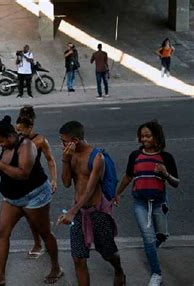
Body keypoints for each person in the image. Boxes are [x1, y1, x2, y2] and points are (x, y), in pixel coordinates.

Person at [0, 116, 62, 286]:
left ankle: (56, 268)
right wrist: (0, 163)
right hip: (12, 198)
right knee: (3, 233)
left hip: (34, 195)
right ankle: (0, 276)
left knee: (45, 233)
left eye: (1, 141)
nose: (0, 145)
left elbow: (22, 173)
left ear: (11, 136)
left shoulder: (26, 146)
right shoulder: (8, 145)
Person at [57, 121, 125, 286]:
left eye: (64, 141)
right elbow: (66, 183)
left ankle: (119, 270)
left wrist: (72, 211)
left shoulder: (97, 157)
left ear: (75, 140)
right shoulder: (70, 155)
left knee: (107, 253)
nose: (62, 144)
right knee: (78, 258)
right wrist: (65, 160)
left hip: (97, 212)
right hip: (78, 212)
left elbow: (90, 189)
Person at [114, 120, 179, 286]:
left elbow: (175, 182)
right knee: (148, 239)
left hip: (160, 202)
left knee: (162, 236)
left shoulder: (166, 157)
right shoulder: (135, 156)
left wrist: (165, 174)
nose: (144, 139)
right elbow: (128, 177)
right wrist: (117, 193)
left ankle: (150, 249)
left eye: (148, 136)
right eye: (142, 136)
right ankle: (156, 273)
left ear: (157, 137)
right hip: (140, 202)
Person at [15, 105, 58, 259]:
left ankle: (46, 244)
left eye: (23, 129)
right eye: (18, 128)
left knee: (40, 220)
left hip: (38, 183)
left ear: (31, 124)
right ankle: (38, 244)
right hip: (22, 184)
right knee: (30, 218)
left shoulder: (40, 140)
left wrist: (54, 180)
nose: (19, 132)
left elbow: (50, 160)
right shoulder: (15, 137)